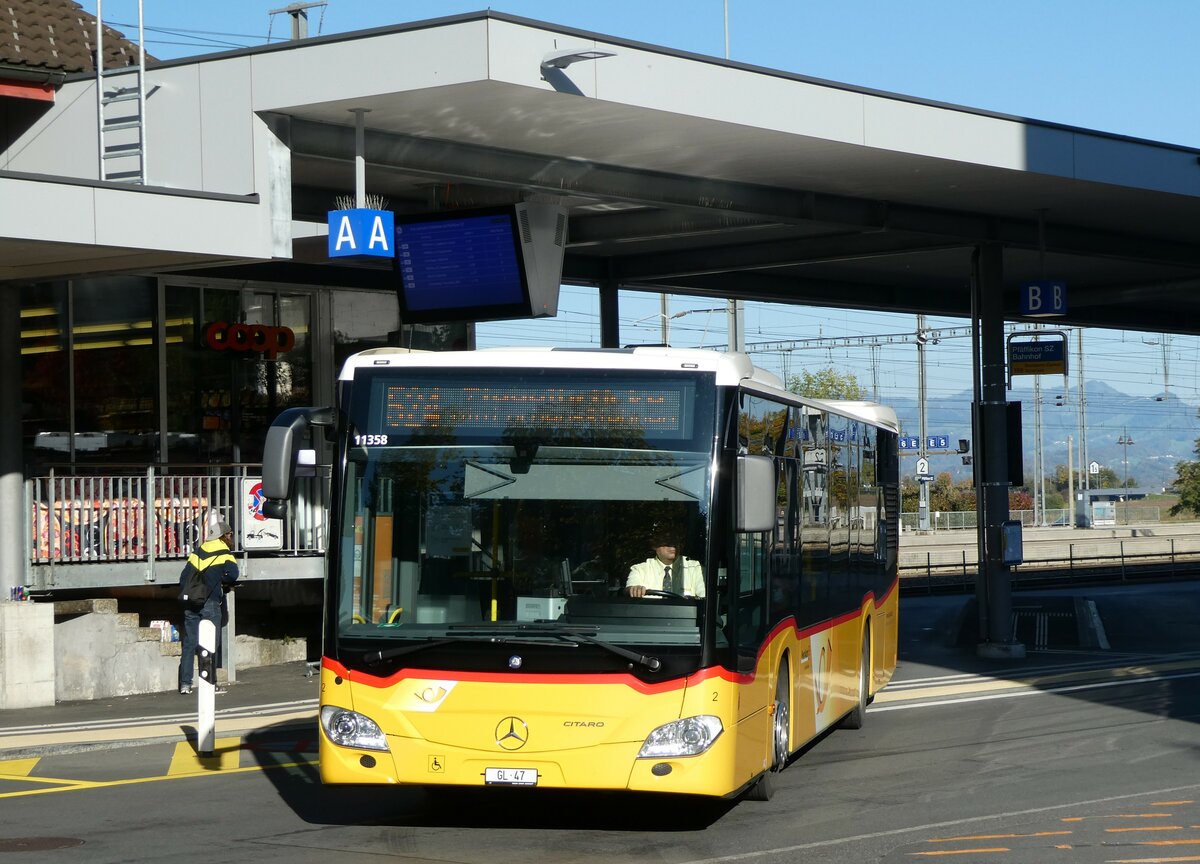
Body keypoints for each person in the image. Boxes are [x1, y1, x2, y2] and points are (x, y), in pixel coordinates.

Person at [178, 519, 239, 695]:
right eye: (230, 535)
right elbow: (233, 575)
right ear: (225, 536)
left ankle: (185, 684)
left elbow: (183, 578)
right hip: (210, 602)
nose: (231, 538)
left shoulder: (198, 551)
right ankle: (210, 683)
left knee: (190, 642)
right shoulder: (224, 552)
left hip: (191, 602)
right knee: (211, 643)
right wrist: (220, 580)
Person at [625, 532, 704, 598]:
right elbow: (630, 589)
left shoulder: (694, 567)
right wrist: (634, 589)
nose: (672, 546)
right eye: (667, 542)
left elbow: (704, 597)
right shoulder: (640, 569)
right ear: (655, 546)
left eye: (675, 542)